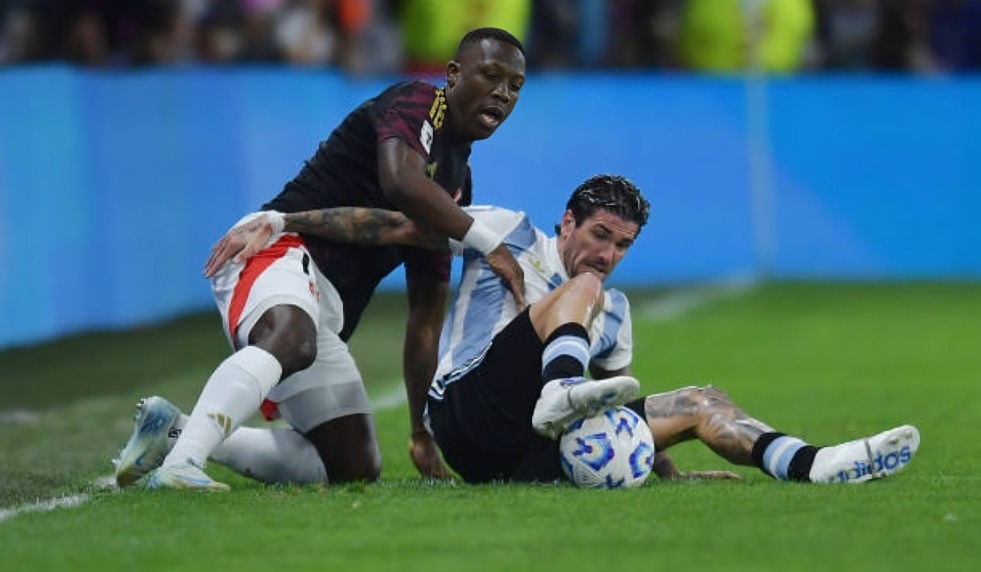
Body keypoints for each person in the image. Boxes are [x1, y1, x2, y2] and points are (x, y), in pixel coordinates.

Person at [196, 174, 921, 485]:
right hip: (471, 416)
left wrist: (657, 466)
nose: (605, 254)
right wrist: (287, 221)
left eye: (621, 246)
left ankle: (814, 464)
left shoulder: (614, 312)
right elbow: (395, 223)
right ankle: (556, 390)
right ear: (567, 222)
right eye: (598, 234)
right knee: (581, 296)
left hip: (534, 447)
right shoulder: (511, 235)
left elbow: (616, 412)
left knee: (702, 400)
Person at [113, 26, 528, 491]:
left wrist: (419, 429)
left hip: (324, 307)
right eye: (491, 75)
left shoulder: (456, 188)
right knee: (293, 338)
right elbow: (399, 183)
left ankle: (172, 433)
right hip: (275, 244)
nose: (502, 93)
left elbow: (425, 320)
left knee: (351, 465)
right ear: (453, 74)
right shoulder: (418, 102)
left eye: (515, 86)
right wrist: (489, 242)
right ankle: (183, 465)